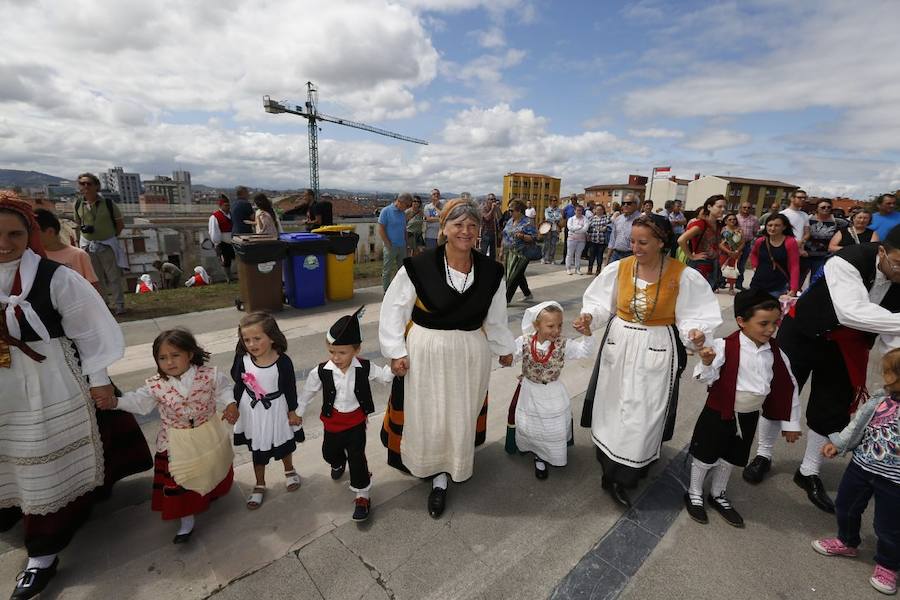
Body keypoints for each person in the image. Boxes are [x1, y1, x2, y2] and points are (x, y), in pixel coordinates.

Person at [0, 193, 152, 599]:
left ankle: (43, 553)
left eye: (14, 234)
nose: (4, 244)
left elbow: (90, 331)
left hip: (49, 381)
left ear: (29, 235)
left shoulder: (55, 278)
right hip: (4, 388)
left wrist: (99, 378)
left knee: (44, 458)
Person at [743, 226, 900, 514]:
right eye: (899, 264)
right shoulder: (848, 259)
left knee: (832, 407)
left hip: (848, 345)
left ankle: (808, 471)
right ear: (882, 252)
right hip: (804, 331)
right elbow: (850, 311)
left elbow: (893, 334)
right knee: (779, 395)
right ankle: (763, 454)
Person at [379, 198, 515, 518]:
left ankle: (453, 464)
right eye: (458, 224)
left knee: (459, 412)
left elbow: (496, 318)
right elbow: (394, 310)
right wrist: (395, 351)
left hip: (470, 354)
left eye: (472, 225)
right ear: (443, 228)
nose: (465, 231)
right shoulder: (419, 266)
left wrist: (504, 348)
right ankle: (433, 471)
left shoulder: (492, 272)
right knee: (429, 413)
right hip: (426, 354)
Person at [575, 214, 721, 508]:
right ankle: (611, 471)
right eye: (632, 241)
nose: (635, 247)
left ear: (661, 242)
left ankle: (630, 468)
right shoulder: (619, 268)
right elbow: (600, 303)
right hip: (619, 341)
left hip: (657, 344)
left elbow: (695, 315)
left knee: (644, 409)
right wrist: (589, 317)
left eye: (642, 242)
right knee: (613, 403)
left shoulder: (682, 275)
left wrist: (695, 332)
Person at [97, 329, 234, 544]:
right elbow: (139, 401)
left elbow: (224, 389)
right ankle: (186, 519)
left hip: (207, 431)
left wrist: (231, 403)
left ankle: (209, 492)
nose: (169, 362)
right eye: (162, 358)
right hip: (176, 441)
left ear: (190, 354)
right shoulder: (156, 385)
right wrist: (115, 402)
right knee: (181, 479)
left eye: (175, 355)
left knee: (211, 465)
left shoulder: (210, 375)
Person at [684, 290, 801, 527]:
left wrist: (791, 423)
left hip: (748, 416)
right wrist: (706, 363)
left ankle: (718, 494)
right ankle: (694, 493)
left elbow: (787, 386)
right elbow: (703, 378)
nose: (770, 329)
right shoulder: (724, 346)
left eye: (775, 323)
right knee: (706, 454)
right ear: (741, 321)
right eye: (763, 323)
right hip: (718, 412)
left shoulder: (775, 353)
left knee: (731, 457)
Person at [811, 348, 900, 595]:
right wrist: (839, 444)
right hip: (861, 466)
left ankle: (888, 564)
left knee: (889, 525)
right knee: (845, 506)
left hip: (895, 481)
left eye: (888, 371)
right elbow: (857, 425)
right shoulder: (880, 400)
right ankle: (847, 541)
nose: (883, 375)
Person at [298, 307, 394, 522]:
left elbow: (384, 377)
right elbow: (308, 392)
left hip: (356, 423)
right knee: (329, 453)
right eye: (331, 351)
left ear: (356, 350)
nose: (336, 357)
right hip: (332, 423)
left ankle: (362, 496)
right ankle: (338, 461)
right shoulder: (321, 371)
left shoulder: (365, 367)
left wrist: (395, 367)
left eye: (342, 353)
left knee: (357, 459)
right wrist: (299, 412)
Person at [504, 302, 593, 479]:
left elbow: (584, 351)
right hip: (530, 392)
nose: (556, 330)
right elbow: (511, 358)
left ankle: (548, 454)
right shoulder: (525, 341)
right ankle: (538, 454)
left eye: (560, 325)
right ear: (536, 325)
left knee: (551, 428)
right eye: (551, 326)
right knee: (532, 425)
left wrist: (587, 334)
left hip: (552, 393)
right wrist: (506, 357)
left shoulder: (563, 344)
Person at [229, 312, 303, 509]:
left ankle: (289, 469)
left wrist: (292, 411)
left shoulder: (283, 361)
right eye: (246, 340)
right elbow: (238, 383)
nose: (251, 344)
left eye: (257, 338)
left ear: (271, 337)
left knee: (283, 441)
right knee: (258, 447)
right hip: (253, 411)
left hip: (276, 408)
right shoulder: (243, 359)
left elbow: (290, 388)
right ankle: (260, 483)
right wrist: (234, 405)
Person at [73, 172, 127, 315]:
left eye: (89, 183)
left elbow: (120, 224)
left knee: (113, 276)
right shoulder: (78, 204)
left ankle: (119, 304)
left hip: (106, 244)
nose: (85, 186)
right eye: (82, 184)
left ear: (96, 186)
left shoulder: (108, 204)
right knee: (96, 277)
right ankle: (103, 305)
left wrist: (110, 237)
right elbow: (78, 224)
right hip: (88, 245)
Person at [34, 208, 101, 294]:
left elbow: (93, 285)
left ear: (50, 232)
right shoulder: (34, 256)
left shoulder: (78, 255)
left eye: (35, 232)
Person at [678, 195, 726, 289]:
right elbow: (681, 240)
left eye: (724, 207)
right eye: (719, 206)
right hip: (700, 265)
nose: (723, 209)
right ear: (709, 207)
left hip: (713, 264)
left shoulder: (718, 225)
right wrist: (691, 256)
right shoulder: (701, 224)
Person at [748, 214, 800, 298]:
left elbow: (794, 266)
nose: (772, 228)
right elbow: (753, 254)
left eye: (777, 225)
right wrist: (755, 266)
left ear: (784, 227)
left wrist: (794, 288)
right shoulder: (760, 241)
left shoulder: (790, 242)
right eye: (770, 225)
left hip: (778, 286)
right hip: (758, 283)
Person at [802, 198, 846, 285]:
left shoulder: (838, 222)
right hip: (805, 254)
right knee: (799, 279)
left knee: (816, 282)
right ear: (817, 208)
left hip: (824, 256)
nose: (826, 209)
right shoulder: (808, 219)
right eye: (823, 207)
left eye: (829, 207)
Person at [502, 199, 537, 303]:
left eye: (511, 210)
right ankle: (527, 294)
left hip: (523, 253)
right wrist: (502, 250)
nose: (510, 212)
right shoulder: (510, 221)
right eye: (509, 210)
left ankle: (506, 300)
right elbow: (505, 235)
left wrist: (522, 236)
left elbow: (533, 237)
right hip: (510, 252)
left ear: (519, 211)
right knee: (517, 274)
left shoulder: (527, 222)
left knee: (514, 276)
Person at [378, 193, 412, 291]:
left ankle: (400, 291)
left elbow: (404, 230)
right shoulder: (386, 211)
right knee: (387, 271)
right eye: (407, 205)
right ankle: (386, 291)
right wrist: (387, 243)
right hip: (391, 246)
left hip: (402, 246)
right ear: (400, 201)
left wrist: (407, 244)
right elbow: (381, 228)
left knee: (402, 270)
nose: (407, 207)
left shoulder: (403, 214)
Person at [781, 190, 811, 271]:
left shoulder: (805, 215)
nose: (803, 200)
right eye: (800, 197)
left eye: (804, 198)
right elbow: (779, 233)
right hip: (784, 250)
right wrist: (793, 243)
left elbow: (807, 233)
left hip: (799, 252)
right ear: (792, 198)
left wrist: (802, 241)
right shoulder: (783, 214)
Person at [606, 192, 640, 263]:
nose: (625, 205)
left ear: (636, 205)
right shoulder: (618, 219)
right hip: (616, 254)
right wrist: (608, 258)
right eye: (623, 203)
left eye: (629, 203)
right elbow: (612, 239)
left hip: (632, 255)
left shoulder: (641, 219)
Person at [208, 195, 234, 283]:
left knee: (234, 259)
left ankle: (235, 275)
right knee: (226, 261)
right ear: (221, 205)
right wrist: (217, 243)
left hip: (233, 241)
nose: (228, 207)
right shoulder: (215, 217)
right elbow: (214, 231)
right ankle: (228, 278)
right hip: (222, 242)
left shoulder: (231, 215)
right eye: (226, 205)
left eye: (228, 205)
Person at [735, 201, 759, 290]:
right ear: (740, 208)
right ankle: (723, 281)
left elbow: (755, 231)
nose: (746, 209)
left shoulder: (754, 219)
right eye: (744, 207)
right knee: (731, 263)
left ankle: (739, 283)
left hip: (747, 244)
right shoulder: (735, 218)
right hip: (735, 244)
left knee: (742, 264)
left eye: (748, 208)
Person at [719, 213, 745, 294]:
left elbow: (742, 242)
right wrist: (728, 251)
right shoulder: (723, 230)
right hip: (724, 252)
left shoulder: (739, 230)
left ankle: (731, 288)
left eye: (734, 219)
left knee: (733, 270)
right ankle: (717, 285)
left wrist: (737, 251)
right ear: (726, 221)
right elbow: (719, 243)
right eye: (730, 219)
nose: (732, 221)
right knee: (720, 269)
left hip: (735, 253)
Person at [586, 204, 610, 275]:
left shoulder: (606, 218)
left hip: (602, 240)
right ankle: (589, 269)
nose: (599, 211)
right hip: (593, 240)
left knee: (600, 256)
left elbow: (609, 226)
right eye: (597, 209)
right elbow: (589, 228)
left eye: (600, 210)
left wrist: (605, 228)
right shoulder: (592, 218)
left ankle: (598, 270)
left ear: (603, 210)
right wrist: (588, 235)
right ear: (595, 210)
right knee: (591, 255)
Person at [565, 204, 589, 275]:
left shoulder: (585, 219)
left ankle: (577, 269)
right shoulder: (571, 219)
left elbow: (585, 229)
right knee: (569, 254)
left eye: (580, 210)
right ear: (574, 211)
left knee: (578, 255)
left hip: (581, 240)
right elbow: (570, 228)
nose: (579, 212)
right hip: (571, 239)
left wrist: (575, 230)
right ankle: (568, 268)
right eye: (577, 210)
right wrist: (579, 227)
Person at [542, 196, 562, 264]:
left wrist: (555, 219)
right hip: (548, 228)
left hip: (555, 229)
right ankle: (544, 258)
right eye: (553, 200)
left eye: (555, 200)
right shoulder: (547, 210)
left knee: (553, 244)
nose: (554, 202)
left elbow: (560, 217)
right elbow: (547, 218)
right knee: (546, 244)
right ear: (550, 201)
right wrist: (555, 219)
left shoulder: (558, 210)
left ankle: (551, 258)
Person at [480, 194, 501, 259]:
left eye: (494, 199)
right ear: (487, 200)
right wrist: (492, 209)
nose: (493, 201)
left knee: (493, 252)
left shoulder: (496, 208)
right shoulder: (483, 208)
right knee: (483, 251)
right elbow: (487, 218)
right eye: (492, 199)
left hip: (494, 232)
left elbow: (500, 217)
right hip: (486, 233)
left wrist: (497, 209)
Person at [559, 195, 578, 265]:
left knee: (575, 244)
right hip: (568, 227)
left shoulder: (579, 207)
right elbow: (563, 215)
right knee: (566, 243)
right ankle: (565, 259)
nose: (573, 200)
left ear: (576, 199)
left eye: (574, 199)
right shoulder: (567, 207)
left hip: (576, 228)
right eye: (572, 199)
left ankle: (574, 259)